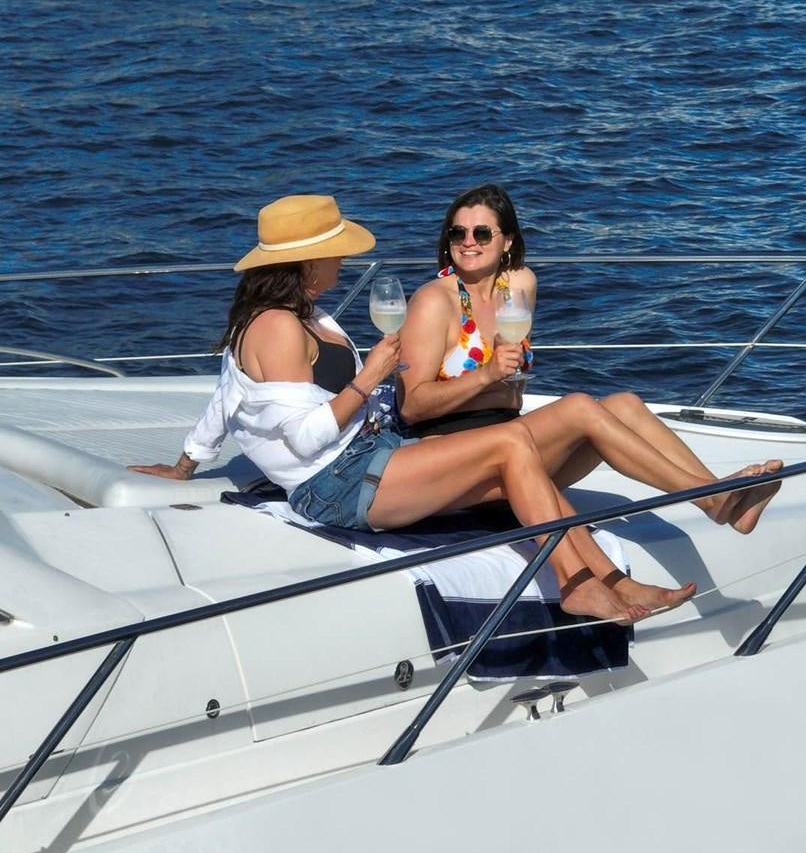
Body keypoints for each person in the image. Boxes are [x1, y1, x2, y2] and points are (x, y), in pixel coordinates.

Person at [130, 194, 696, 622]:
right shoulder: (278, 327)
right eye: (337, 254)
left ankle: (607, 581)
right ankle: (577, 586)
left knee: (516, 445)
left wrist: (187, 463)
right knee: (509, 443)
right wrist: (370, 379)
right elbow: (305, 439)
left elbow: (227, 397)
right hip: (338, 481)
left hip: (372, 455)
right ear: (310, 262)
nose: (343, 265)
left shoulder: (299, 315)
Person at [398, 183, 783, 537]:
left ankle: (724, 499)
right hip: (453, 459)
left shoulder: (517, 287)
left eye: (481, 233)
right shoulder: (435, 301)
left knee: (625, 405)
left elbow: (510, 391)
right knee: (579, 407)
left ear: (507, 242)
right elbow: (412, 406)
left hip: (507, 443)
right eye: (457, 232)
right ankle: (713, 500)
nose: (468, 242)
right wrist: (485, 375)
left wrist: (498, 376)